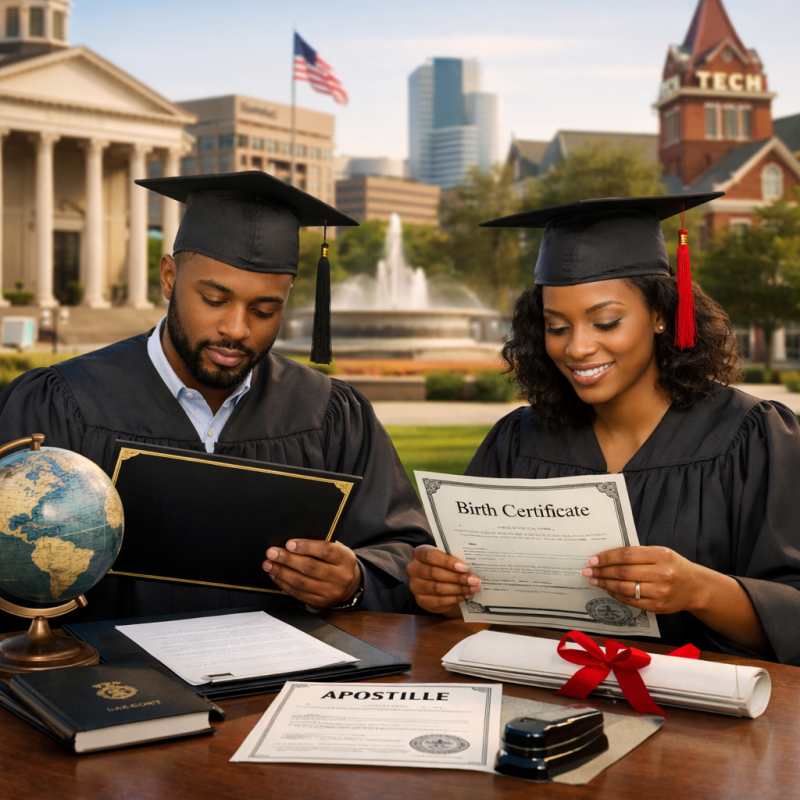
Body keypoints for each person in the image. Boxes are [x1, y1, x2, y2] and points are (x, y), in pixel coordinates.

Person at [0, 172, 433, 632]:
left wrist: (354, 582)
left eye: (265, 310)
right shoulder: (63, 401)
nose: (237, 329)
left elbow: (404, 548)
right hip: (111, 686)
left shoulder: (328, 411)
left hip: (280, 685)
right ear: (169, 277)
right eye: (213, 299)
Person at [408, 192, 800, 665]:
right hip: (542, 707)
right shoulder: (519, 442)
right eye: (557, 327)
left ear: (660, 315)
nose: (578, 347)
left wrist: (701, 589)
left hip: (702, 722)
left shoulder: (752, 437)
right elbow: (470, 611)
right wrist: (442, 594)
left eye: (606, 322)